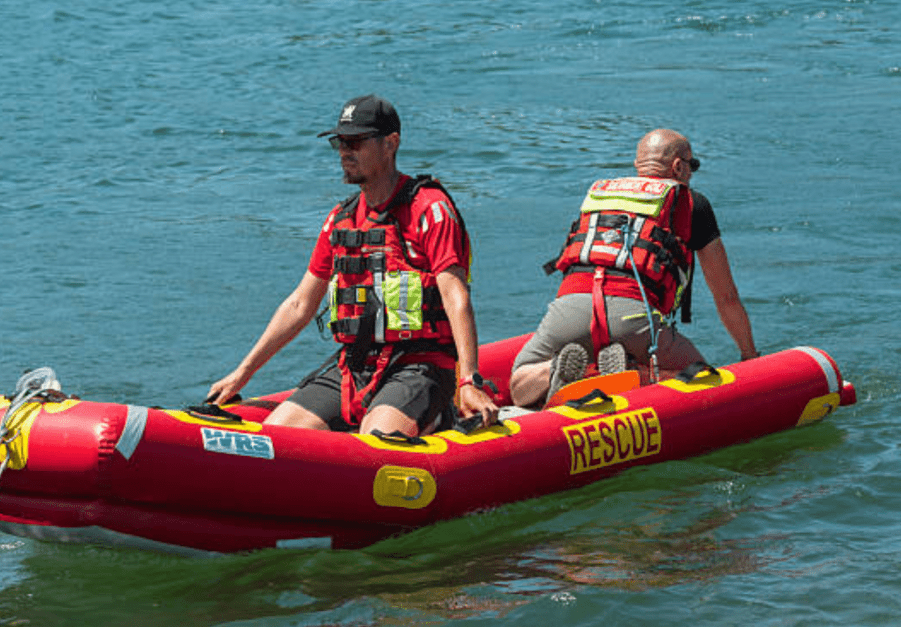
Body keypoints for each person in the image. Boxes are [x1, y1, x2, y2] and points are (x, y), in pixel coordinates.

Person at [207, 94, 498, 436]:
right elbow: (300, 304)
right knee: (277, 435)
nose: (345, 151)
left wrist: (469, 380)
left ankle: (439, 415)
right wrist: (241, 374)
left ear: (391, 143)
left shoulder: (430, 209)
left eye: (356, 142)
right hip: (354, 366)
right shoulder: (340, 220)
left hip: (420, 365)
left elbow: (456, 298)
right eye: (340, 142)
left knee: (376, 440)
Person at [509, 128, 759, 408]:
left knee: (519, 384)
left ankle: (553, 370)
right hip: (633, 318)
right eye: (693, 165)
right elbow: (726, 298)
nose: (692, 173)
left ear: (638, 165)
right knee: (701, 381)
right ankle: (633, 373)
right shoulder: (691, 203)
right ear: (678, 167)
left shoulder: (600, 196)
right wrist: (750, 356)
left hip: (569, 308)